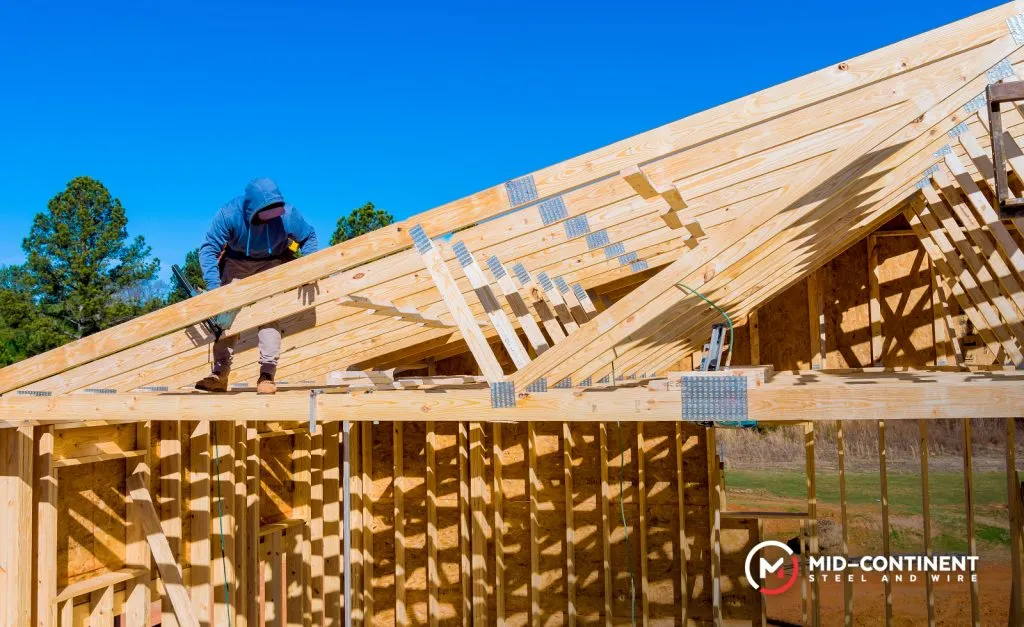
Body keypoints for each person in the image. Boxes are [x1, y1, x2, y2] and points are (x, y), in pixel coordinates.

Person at [195, 177, 318, 394]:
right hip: (237, 261)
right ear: (252, 209)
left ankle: (267, 375)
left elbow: (308, 236)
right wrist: (215, 290)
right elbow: (208, 249)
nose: (271, 217)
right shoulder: (230, 214)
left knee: (267, 315)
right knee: (226, 318)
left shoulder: (288, 215)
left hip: (273, 261)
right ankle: (219, 374)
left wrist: (308, 271)